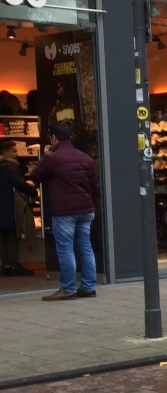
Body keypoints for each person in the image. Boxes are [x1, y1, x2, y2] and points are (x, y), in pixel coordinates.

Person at [28, 122, 98, 300]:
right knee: (85, 247)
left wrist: (45, 156)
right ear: (70, 138)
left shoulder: (52, 158)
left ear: (53, 138)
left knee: (65, 249)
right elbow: (94, 186)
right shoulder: (86, 159)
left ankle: (68, 288)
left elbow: (36, 176)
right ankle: (88, 286)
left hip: (65, 210)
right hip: (85, 209)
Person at [0, 140, 37, 276]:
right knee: (13, 235)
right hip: (10, 206)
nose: (17, 154)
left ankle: (5, 265)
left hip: (2, 206)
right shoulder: (11, 167)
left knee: (3, 237)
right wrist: (33, 191)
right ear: (6, 152)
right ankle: (14, 265)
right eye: (14, 151)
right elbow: (19, 184)